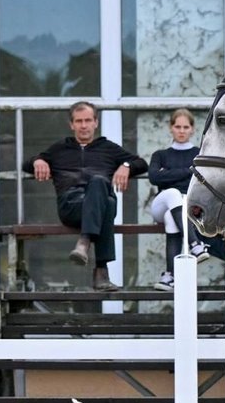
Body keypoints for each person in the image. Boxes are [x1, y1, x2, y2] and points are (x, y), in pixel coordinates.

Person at [22, 101, 147, 291]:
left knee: (100, 188)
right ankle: (101, 273)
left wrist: (126, 166)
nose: (83, 125)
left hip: (99, 203)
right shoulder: (60, 149)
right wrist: (38, 160)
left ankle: (84, 243)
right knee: (108, 203)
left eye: (88, 120)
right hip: (71, 205)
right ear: (71, 124)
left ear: (96, 123)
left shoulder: (108, 148)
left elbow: (141, 163)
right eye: (79, 121)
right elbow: (26, 164)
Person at [148, 108, 209, 291]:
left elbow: (203, 178)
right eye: (177, 126)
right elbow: (154, 178)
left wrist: (167, 174)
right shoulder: (160, 155)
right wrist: (189, 171)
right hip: (162, 203)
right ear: (171, 128)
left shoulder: (200, 154)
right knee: (174, 194)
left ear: (192, 129)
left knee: (172, 217)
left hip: (187, 208)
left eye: (185, 127)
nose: (181, 130)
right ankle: (195, 244)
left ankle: (169, 276)